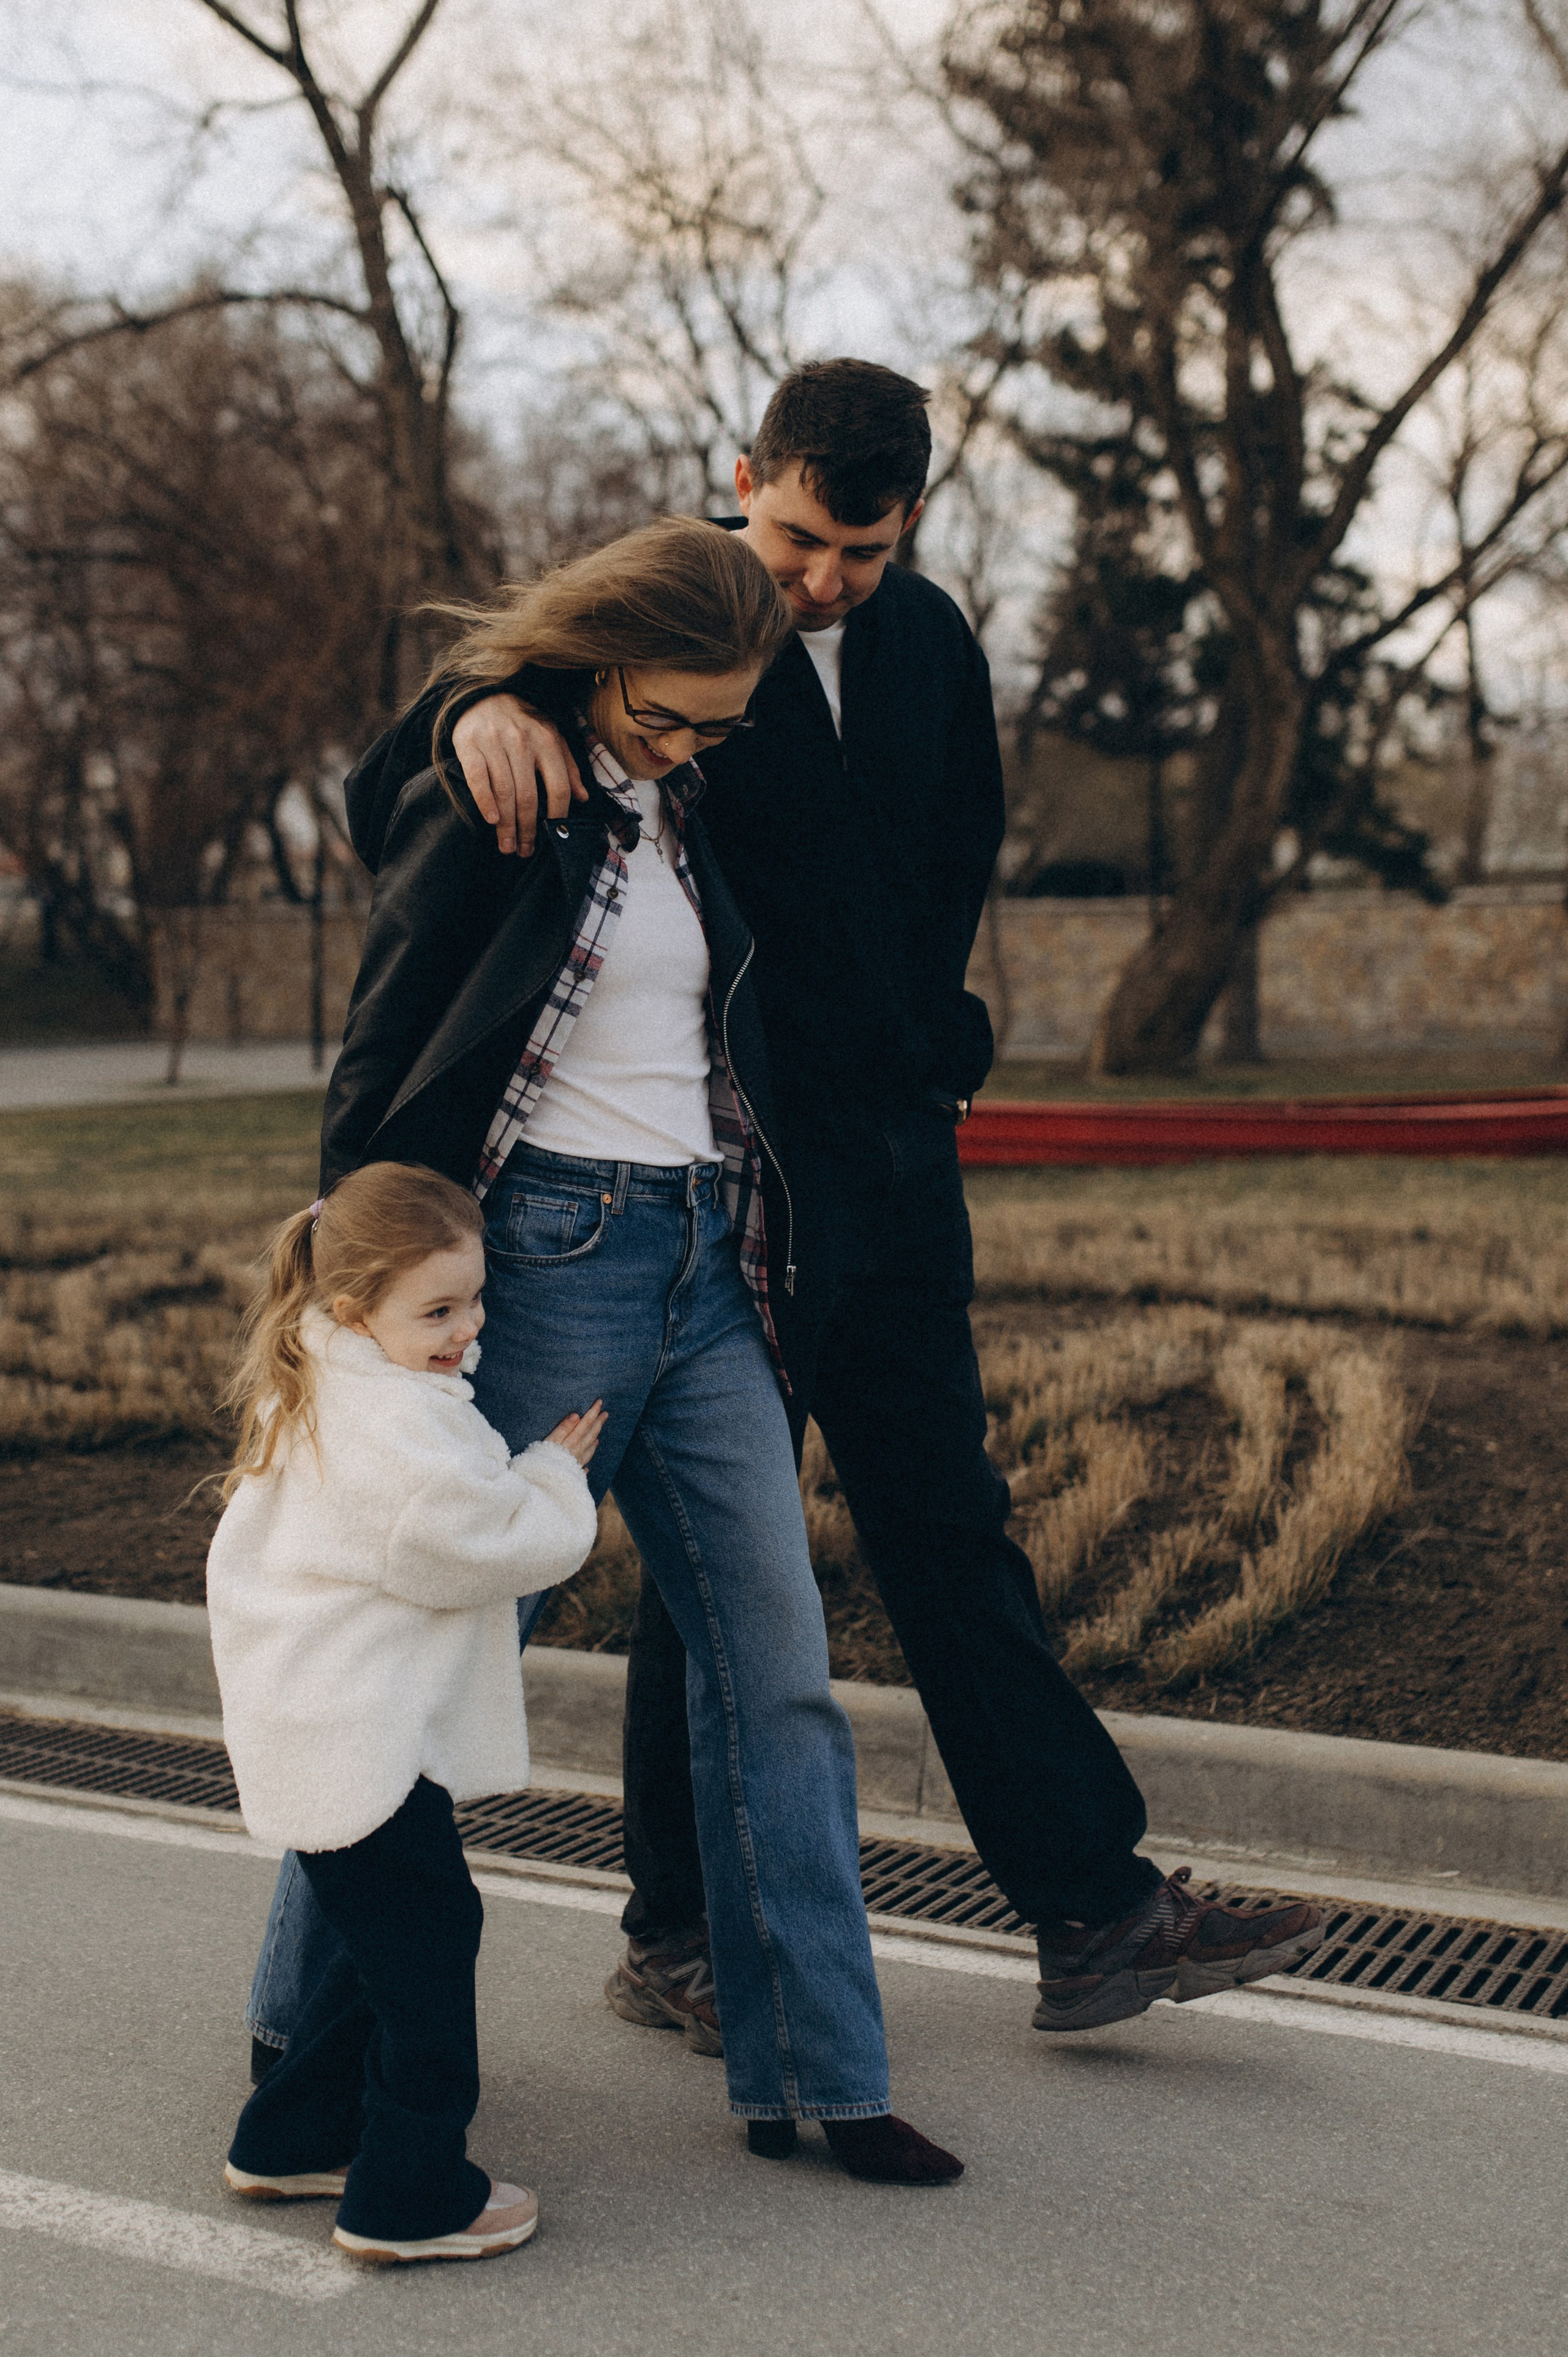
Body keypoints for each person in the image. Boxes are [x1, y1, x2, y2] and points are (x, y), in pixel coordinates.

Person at [362, 358, 1324, 2042]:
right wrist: (474, 716)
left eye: (859, 554)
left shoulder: (931, 641)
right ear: (747, 478)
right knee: (710, 1564)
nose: (819, 581)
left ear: (912, 524)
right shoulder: (667, 607)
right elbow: (397, 779)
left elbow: (949, 871)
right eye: (798, 539)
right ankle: (674, 1932)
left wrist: (934, 1055)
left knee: (950, 1522)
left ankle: (1095, 1909)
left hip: (889, 1171)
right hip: (725, 1185)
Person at [244, 515, 963, 2186]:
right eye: (665, 717)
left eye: (719, 723)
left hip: (714, 1263)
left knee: (777, 1673)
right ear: (597, 662)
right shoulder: (506, 781)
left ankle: (820, 2076)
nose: (689, 746)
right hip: (544, 1254)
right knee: (421, 1657)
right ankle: (303, 2057)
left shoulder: (709, 786)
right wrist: (471, 710)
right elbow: (386, 1003)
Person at [210, 1162, 605, 2263]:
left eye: (474, 1300)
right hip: (360, 1734)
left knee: (382, 1944)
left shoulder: (332, 1381)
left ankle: (292, 2137)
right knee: (430, 1946)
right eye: (437, 1312)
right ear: (354, 1312)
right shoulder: (396, 1435)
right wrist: (553, 1475)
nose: (466, 1329)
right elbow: (491, 1544)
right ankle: (411, 2194)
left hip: (325, 1721)